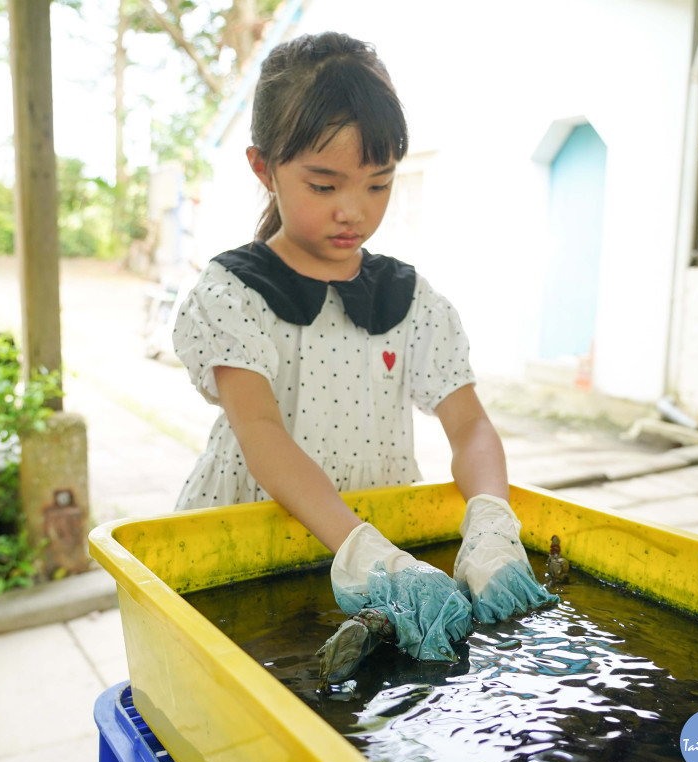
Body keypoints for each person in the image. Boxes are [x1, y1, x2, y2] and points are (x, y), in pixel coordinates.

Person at [172, 32, 555, 670]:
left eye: (378, 186)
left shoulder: (410, 300)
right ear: (264, 168)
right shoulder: (234, 294)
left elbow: (471, 426)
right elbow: (262, 435)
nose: (353, 211)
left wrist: (490, 521)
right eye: (324, 186)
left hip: (381, 552)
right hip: (250, 545)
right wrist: (361, 551)